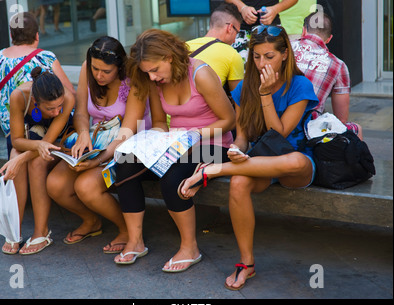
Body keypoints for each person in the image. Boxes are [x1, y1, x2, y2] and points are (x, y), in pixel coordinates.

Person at [179, 25, 319, 289]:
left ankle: (214, 170)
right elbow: (242, 137)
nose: (261, 62)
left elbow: (279, 136)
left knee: (297, 161)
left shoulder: (300, 85)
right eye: (256, 56)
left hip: (292, 163)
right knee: (239, 182)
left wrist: (265, 94)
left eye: (269, 56)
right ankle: (247, 262)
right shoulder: (244, 87)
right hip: (258, 160)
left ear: (285, 54)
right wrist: (237, 150)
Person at [113, 29, 235, 272]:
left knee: (172, 180)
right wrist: (153, 140)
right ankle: (135, 241)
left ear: (169, 57)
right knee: (124, 162)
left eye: (155, 70)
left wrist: (196, 134)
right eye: (148, 72)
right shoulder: (155, 81)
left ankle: (190, 247)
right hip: (177, 146)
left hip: (213, 146)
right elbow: (159, 121)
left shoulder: (200, 74)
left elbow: (229, 120)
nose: (153, 77)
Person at [46, 36, 151, 252]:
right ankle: (91, 221)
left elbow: (127, 132)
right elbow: (82, 113)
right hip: (96, 141)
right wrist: (84, 134)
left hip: (127, 147)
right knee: (55, 185)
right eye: (95, 69)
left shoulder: (133, 78)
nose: (99, 75)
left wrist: (97, 162)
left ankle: (126, 229)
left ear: (119, 68)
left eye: (106, 71)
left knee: (85, 186)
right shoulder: (88, 68)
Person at [0, 66, 75, 255]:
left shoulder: (68, 98)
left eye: (59, 106)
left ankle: (42, 232)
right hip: (28, 137)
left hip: (57, 138)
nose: (57, 111)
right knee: (17, 154)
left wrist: (19, 159)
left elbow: (47, 143)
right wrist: (20, 156)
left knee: (34, 162)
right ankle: (15, 230)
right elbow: (16, 139)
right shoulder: (19, 96)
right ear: (35, 100)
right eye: (50, 108)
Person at [0, 11, 75, 149]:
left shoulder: (1, 55)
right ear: (37, 35)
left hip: (8, 123)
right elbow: (69, 91)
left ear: (11, 35)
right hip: (35, 120)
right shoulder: (45, 56)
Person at [292, 12, 363, 139]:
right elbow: (341, 119)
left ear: (303, 31)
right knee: (356, 129)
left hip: (274, 117)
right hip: (308, 128)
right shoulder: (338, 65)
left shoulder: (285, 48)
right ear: (329, 39)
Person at [186, 3, 244, 91]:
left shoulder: (184, 46)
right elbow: (238, 99)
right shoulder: (232, 54)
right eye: (237, 33)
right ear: (230, 28)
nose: (235, 41)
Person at [225, 0, 298, 64]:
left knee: (274, 69)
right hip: (242, 30)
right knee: (239, 71)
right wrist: (242, 8)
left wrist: (275, 9)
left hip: (271, 29)